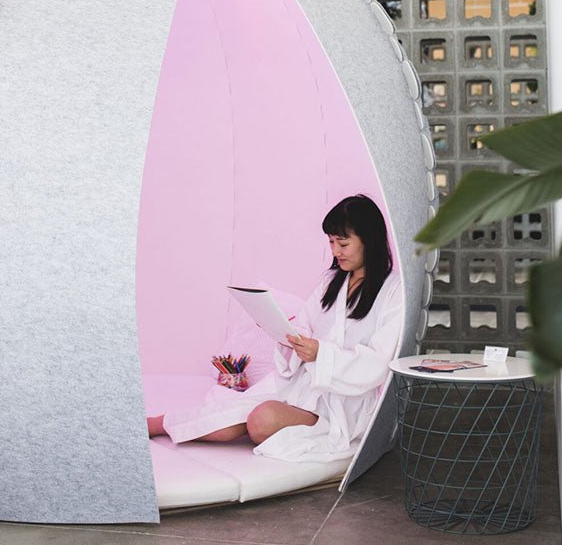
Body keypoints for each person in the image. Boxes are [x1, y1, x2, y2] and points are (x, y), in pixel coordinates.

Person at [147, 194, 403, 464]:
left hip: (343, 405)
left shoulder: (393, 291)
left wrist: (320, 353)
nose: (335, 251)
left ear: (369, 240)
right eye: (330, 242)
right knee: (229, 419)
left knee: (261, 420)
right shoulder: (332, 281)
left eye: (343, 243)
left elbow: (378, 362)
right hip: (303, 387)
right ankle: (156, 423)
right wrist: (285, 332)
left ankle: (292, 422)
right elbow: (304, 323)